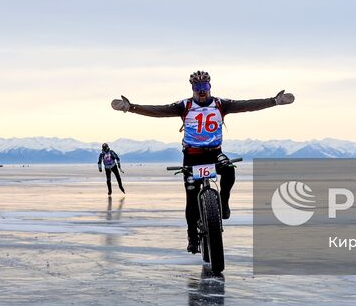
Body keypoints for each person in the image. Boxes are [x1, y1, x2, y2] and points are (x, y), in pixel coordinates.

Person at [112, 71, 294, 253]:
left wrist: (274, 101)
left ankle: (223, 203)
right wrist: (131, 107)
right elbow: (158, 111)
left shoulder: (221, 104)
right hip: (192, 156)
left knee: (229, 170)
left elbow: (246, 105)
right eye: (197, 88)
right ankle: (192, 237)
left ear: (210, 87)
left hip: (215, 153)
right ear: (192, 89)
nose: (201, 91)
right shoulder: (184, 105)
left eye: (204, 87)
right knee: (191, 199)